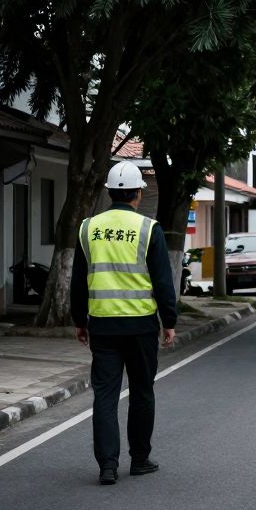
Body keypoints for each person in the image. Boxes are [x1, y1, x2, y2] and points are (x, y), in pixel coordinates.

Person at [71, 161, 178, 486]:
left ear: (109, 192)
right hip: (141, 326)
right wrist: (168, 321)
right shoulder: (149, 229)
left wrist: (80, 320)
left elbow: (78, 281)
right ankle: (140, 459)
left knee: (105, 395)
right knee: (142, 392)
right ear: (137, 194)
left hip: (102, 326)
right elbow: (163, 281)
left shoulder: (88, 228)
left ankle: (107, 466)